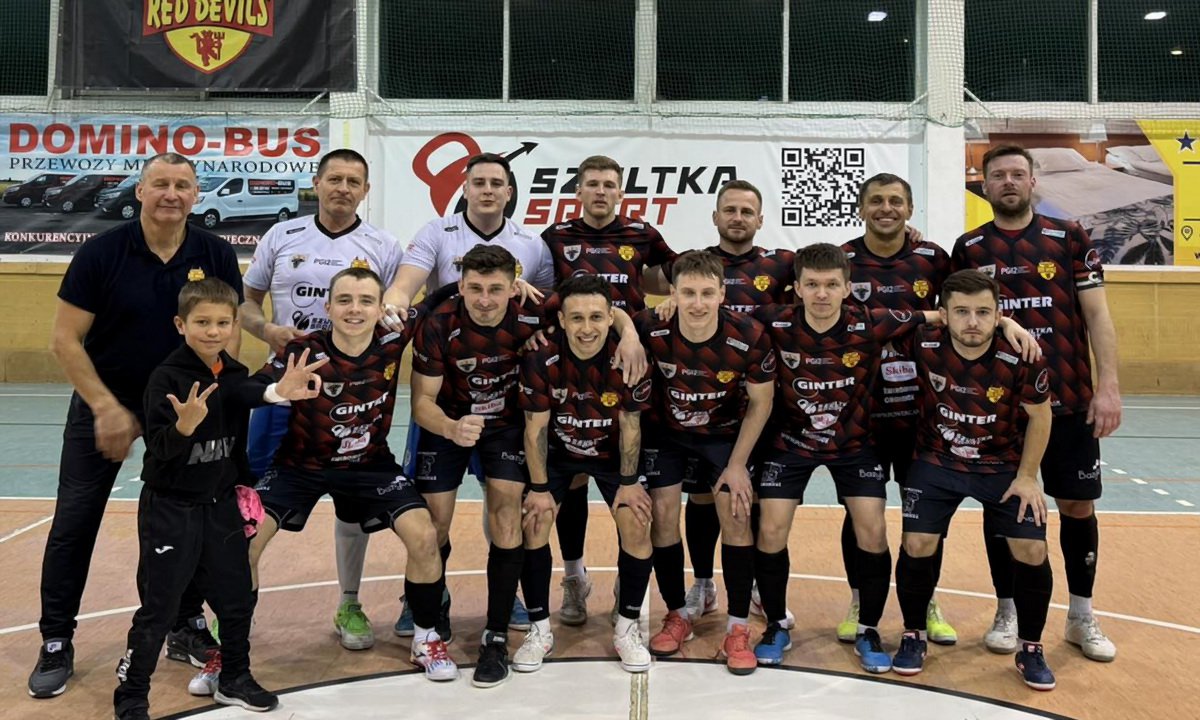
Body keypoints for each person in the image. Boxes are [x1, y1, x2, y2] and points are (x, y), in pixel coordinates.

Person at [30, 153, 243, 699]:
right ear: (141, 191)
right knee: (75, 522)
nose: (172, 194)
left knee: (189, 518)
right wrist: (105, 407)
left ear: (196, 195)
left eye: (182, 185)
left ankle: (184, 623)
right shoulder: (101, 252)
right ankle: (56, 639)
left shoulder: (215, 253)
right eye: (160, 184)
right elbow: (64, 340)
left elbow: (227, 331)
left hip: (184, 405)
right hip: (110, 401)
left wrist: (217, 400)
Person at [112, 278, 323, 720]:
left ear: (233, 326)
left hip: (221, 506)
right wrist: (183, 427)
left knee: (236, 598)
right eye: (202, 322)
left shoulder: (233, 373)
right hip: (171, 507)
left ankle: (235, 678)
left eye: (223, 323)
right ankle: (132, 696)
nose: (213, 331)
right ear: (180, 324)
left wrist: (277, 392)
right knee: (160, 606)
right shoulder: (166, 377)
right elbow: (160, 449)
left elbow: (246, 394)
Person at [246, 267, 460, 683]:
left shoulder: (393, 337)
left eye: (365, 301)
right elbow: (250, 389)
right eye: (344, 300)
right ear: (328, 307)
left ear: (381, 309)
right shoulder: (303, 351)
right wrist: (274, 392)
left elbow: (437, 298)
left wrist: (481, 282)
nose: (354, 309)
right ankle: (230, 647)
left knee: (425, 535)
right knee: (245, 539)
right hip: (299, 466)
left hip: (369, 465)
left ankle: (426, 638)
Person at [952, 145, 1121, 662]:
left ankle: (1081, 614)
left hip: (1069, 400)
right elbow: (957, 316)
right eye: (997, 175)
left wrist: (1109, 387)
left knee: (1077, 506)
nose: (1007, 182)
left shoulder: (1069, 237)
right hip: (1000, 409)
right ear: (984, 184)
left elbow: (1097, 316)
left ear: (1032, 181)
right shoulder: (970, 248)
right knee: (1004, 506)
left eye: (1017, 174)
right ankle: (1006, 609)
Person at [240, 148, 403, 652]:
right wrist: (266, 330)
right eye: (334, 179)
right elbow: (245, 304)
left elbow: (397, 310)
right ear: (317, 182)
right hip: (284, 391)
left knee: (351, 501)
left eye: (354, 181)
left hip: (352, 392)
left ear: (366, 190)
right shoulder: (281, 235)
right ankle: (234, 609)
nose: (343, 188)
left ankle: (349, 602)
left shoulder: (383, 246)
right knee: (251, 504)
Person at [383, 151, 553, 636]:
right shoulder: (437, 235)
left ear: (509, 192)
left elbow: (556, 303)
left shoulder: (531, 245)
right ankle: (424, 598)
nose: (487, 190)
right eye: (479, 182)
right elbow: (405, 286)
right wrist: (392, 305)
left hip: (504, 412)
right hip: (447, 402)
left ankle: (507, 594)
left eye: (497, 183)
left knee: (506, 510)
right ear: (465, 188)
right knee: (433, 519)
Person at [890, 269, 1057, 691]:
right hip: (937, 460)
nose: (972, 322)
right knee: (917, 543)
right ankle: (913, 634)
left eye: (983, 313)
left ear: (998, 315)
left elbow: (1041, 417)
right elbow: (875, 325)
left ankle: (1031, 648)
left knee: (1032, 549)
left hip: (1002, 465)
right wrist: (936, 316)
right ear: (943, 315)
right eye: (961, 312)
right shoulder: (923, 341)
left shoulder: (1022, 354)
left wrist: (1028, 477)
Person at [539, 154, 677, 627]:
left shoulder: (641, 234)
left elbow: (679, 271)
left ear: (620, 192)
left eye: (609, 185)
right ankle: (574, 577)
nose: (600, 191)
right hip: (572, 364)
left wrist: (671, 300)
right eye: (592, 184)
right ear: (578, 191)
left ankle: (626, 583)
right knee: (574, 475)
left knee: (626, 476)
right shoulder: (556, 237)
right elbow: (542, 294)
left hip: (628, 363)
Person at [655, 179, 794, 625]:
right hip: (691, 411)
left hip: (749, 405)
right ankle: (702, 583)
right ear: (715, 217)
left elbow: (832, 270)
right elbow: (641, 286)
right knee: (699, 500)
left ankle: (752, 587)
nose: (737, 218)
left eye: (746, 211)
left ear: (760, 219)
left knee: (746, 503)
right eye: (729, 210)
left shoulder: (781, 263)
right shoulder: (692, 264)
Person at [409, 244, 548, 688]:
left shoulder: (535, 312)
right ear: (461, 285)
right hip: (447, 422)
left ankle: (495, 635)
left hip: (506, 426)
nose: (485, 300)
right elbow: (421, 402)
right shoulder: (438, 323)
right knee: (433, 525)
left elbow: (602, 306)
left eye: (495, 289)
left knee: (508, 516)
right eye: (475, 289)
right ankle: (430, 616)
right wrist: (451, 428)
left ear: (514, 286)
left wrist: (626, 331)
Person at [634, 250, 776, 676]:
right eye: (688, 293)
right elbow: (615, 318)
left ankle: (737, 627)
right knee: (662, 514)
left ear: (722, 294)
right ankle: (677, 614)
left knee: (736, 511)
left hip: (724, 436)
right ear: (673, 293)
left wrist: (737, 465)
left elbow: (761, 403)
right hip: (667, 435)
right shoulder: (651, 326)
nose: (697, 303)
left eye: (707, 293)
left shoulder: (748, 335)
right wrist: (625, 332)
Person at [516, 274, 655, 675]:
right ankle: (539, 630)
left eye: (596, 317)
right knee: (534, 520)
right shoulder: (542, 357)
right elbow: (535, 430)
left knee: (637, 522)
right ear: (561, 320)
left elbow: (631, 426)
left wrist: (628, 484)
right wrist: (539, 489)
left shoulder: (628, 358)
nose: (587, 328)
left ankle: (626, 627)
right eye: (576, 318)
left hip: (612, 455)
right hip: (560, 454)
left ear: (611, 317)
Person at [841, 174, 955, 646]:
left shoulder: (933, 259)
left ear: (909, 209)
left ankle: (926, 602)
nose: (885, 208)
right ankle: (858, 600)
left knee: (924, 517)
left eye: (895, 201)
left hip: (922, 414)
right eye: (876, 201)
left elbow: (965, 310)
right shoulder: (842, 260)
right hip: (861, 412)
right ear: (861, 208)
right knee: (861, 515)